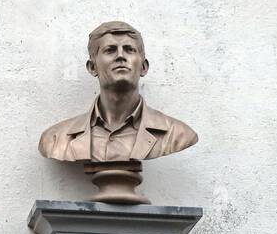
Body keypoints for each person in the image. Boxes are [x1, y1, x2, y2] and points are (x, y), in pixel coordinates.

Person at [37, 21, 198, 163]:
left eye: (129, 50)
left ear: (143, 67)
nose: (120, 56)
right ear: (93, 67)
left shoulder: (178, 134)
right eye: (110, 50)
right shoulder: (56, 139)